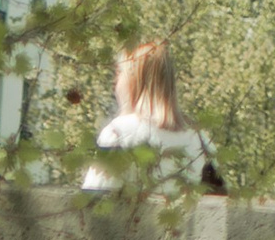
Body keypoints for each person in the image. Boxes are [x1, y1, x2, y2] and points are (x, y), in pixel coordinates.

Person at [82, 40, 225, 193]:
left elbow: (93, 205)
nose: (115, 82)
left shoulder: (119, 132)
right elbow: (217, 206)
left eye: (119, 73)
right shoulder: (201, 139)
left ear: (133, 81)